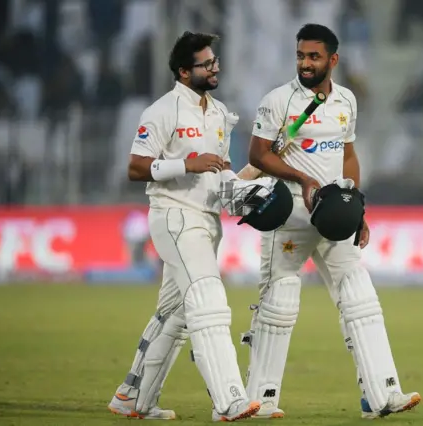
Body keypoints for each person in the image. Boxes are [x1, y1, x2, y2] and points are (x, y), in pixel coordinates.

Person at [240, 23, 421, 419]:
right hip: (289, 213)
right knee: (279, 303)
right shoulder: (278, 101)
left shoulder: (346, 102)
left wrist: (355, 205)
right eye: (301, 55)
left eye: (314, 56)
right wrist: (303, 178)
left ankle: (382, 395)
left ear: (332, 60)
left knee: (360, 296)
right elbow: (258, 155)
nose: (305, 63)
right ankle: (260, 400)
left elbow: (348, 155)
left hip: (334, 214)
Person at [107, 31, 261, 422]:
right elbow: (136, 167)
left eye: (215, 61)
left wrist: (249, 186)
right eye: (205, 64)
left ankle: (132, 397)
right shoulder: (163, 111)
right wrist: (186, 164)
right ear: (182, 71)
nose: (214, 68)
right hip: (175, 217)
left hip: (206, 221)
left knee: (174, 314)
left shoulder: (220, 112)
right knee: (208, 300)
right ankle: (229, 401)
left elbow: (220, 175)